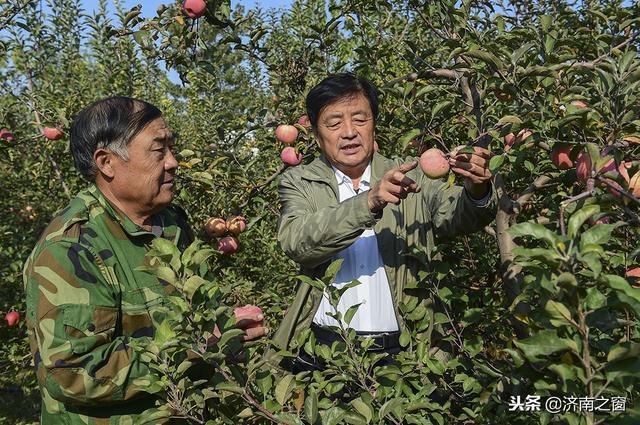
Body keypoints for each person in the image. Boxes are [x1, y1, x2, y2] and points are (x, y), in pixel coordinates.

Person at [22, 97, 266, 423]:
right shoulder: (72, 249)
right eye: (158, 150)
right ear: (107, 162)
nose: (173, 162)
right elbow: (72, 373)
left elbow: (202, 313)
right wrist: (199, 345)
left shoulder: (172, 224)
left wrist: (229, 331)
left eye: (171, 148)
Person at [271, 74, 496, 371]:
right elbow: (297, 242)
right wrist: (368, 202)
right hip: (323, 352)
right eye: (335, 123)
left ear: (374, 124)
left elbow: (457, 215)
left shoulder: (411, 175)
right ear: (316, 134)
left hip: (406, 349)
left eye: (360, 120)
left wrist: (477, 191)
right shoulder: (299, 181)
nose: (349, 132)